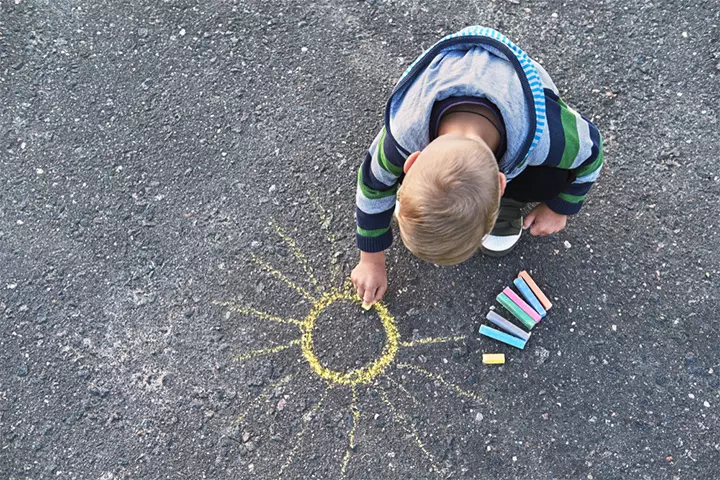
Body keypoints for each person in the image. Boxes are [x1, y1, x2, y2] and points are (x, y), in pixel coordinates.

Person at [351, 26, 603, 306]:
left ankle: (503, 203)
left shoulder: (546, 134)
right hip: (449, 74)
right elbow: (372, 187)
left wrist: (560, 208)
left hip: (517, 82)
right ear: (412, 160)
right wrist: (371, 260)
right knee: (386, 175)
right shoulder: (403, 133)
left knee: (552, 181)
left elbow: (592, 152)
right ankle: (442, 197)